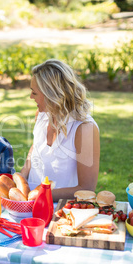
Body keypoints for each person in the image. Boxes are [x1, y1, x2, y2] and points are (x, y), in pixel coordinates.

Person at [18, 59, 100, 201]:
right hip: (30, 204)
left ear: (51, 94)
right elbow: (36, 147)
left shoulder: (84, 129)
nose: (31, 97)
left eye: (34, 93)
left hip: (62, 211)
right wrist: (22, 175)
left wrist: (41, 195)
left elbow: (86, 189)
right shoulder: (42, 114)